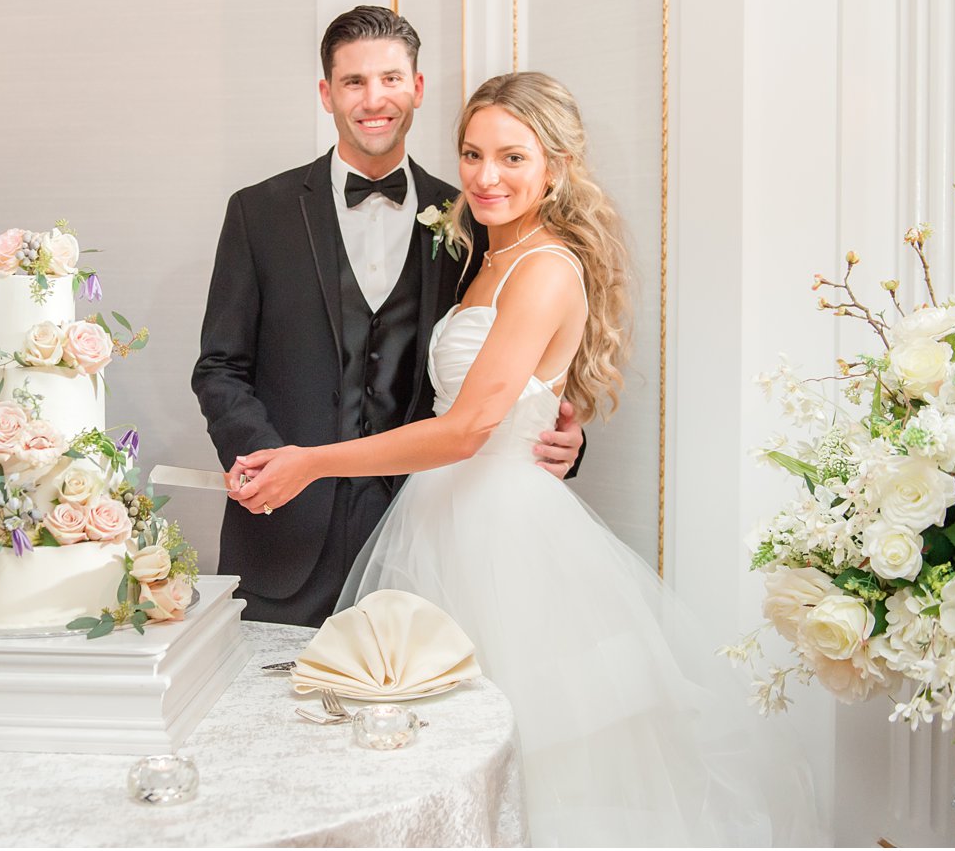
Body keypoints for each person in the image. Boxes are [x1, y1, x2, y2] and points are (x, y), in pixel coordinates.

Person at [230, 72, 821, 846]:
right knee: (438, 743)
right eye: (473, 154)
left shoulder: (544, 268)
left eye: (513, 157)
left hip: (501, 529)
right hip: (440, 512)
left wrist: (310, 461)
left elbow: (471, 424)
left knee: (517, 746)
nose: (484, 176)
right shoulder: (481, 252)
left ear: (557, 165)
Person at [192, 6, 587, 628]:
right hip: (285, 533)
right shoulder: (257, 213)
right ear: (327, 94)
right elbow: (220, 367)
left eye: (391, 79)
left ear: (418, 88)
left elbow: (524, 363)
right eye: (353, 82)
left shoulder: (475, 215)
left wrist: (564, 438)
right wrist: (274, 464)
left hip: (423, 536)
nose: (374, 99)